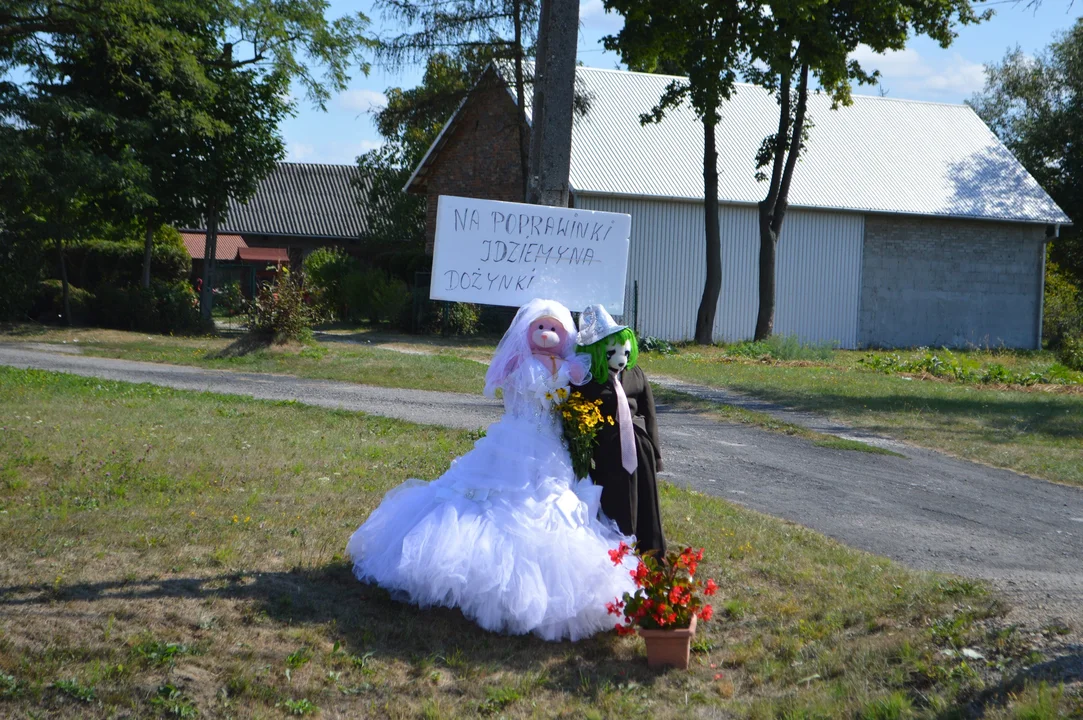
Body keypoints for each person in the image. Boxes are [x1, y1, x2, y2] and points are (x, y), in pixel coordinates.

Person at [346, 298, 635, 641]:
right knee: (497, 500)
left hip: (551, 447)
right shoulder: (520, 364)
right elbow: (506, 383)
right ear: (526, 333)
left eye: (554, 328)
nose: (546, 334)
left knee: (552, 500)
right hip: (515, 441)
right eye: (540, 328)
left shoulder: (571, 364)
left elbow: (583, 383)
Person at [576, 304, 666, 557]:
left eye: (625, 352)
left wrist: (657, 453)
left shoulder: (636, 374)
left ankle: (651, 549)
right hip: (608, 449)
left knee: (647, 497)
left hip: (640, 446)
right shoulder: (588, 380)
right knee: (615, 498)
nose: (621, 358)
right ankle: (618, 549)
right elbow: (577, 416)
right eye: (613, 352)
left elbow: (650, 413)